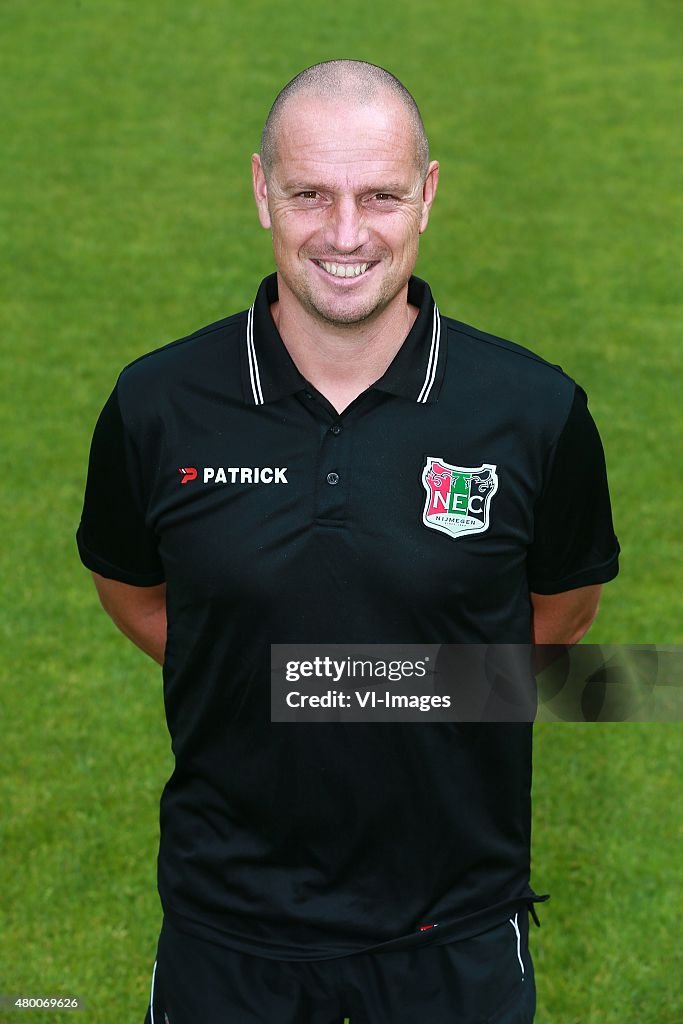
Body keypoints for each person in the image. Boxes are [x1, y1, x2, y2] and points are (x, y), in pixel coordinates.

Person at [77, 60, 620, 1024]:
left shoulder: (533, 412)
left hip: (452, 936)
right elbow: (132, 589)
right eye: (308, 195)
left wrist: (341, 682)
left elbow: (554, 627)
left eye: (378, 196)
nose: (343, 234)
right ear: (260, 192)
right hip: (225, 935)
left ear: (427, 197)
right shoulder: (157, 405)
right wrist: (252, 665)